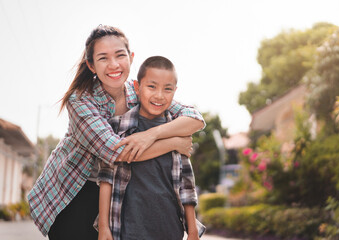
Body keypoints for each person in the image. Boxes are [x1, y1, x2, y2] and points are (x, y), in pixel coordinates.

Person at [27, 25, 205, 240]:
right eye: (103, 58)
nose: (113, 65)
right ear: (91, 66)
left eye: (120, 55)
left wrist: (150, 135)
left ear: (130, 57)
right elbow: (114, 152)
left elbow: (194, 118)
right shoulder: (81, 99)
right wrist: (174, 143)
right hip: (75, 192)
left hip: (118, 191)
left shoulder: (140, 90)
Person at [96, 56, 206, 240]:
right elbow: (106, 179)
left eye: (167, 89)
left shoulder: (177, 131)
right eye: (151, 86)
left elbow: (187, 185)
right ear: (137, 88)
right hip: (129, 230)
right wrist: (103, 227)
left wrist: (193, 230)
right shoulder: (119, 127)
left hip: (169, 229)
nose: (159, 95)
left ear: (174, 92)